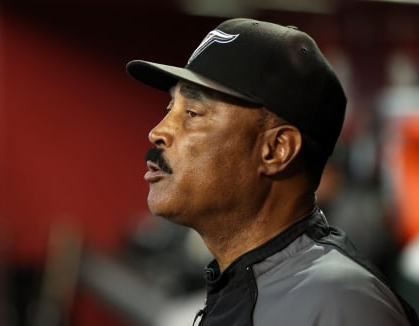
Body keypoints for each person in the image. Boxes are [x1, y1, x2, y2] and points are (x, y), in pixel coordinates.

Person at [126, 18, 418, 325]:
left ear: (277, 149)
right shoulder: (250, 281)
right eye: (169, 108)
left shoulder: (341, 305)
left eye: (192, 113)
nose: (158, 132)